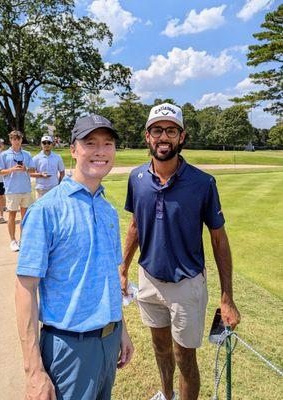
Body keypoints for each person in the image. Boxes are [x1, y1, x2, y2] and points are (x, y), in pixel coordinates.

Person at [120, 103, 240, 400]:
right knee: (160, 348)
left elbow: (218, 241)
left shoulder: (202, 183)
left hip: (187, 285)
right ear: (147, 136)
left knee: (185, 357)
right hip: (148, 280)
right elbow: (135, 225)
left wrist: (227, 297)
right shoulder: (136, 178)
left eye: (171, 130)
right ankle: (166, 393)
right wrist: (123, 269)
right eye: (157, 130)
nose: (164, 137)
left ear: (182, 136)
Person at [15, 114, 134, 400]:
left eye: (107, 143)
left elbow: (107, 276)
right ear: (72, 150)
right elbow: (25, 290)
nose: (100, 151)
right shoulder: (46, 210)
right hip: (70, 348)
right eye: (90, 143)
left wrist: (121, 328)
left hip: (109, 340)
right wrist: (33, 372)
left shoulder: (107, 211)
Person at [0, 130, 35, 252]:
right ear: (10, 140)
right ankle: (13, 240)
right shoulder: (4, 154)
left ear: (21, 139)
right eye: (14, 138)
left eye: (18, 138)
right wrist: (12, 169)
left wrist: (26, 169)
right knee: (12, 216)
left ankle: (23, 239)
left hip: (26, 189)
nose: (16, 141)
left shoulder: (27, 154)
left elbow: (33, 170)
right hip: (12, 190)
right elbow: (0, 172)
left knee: (25, 217)